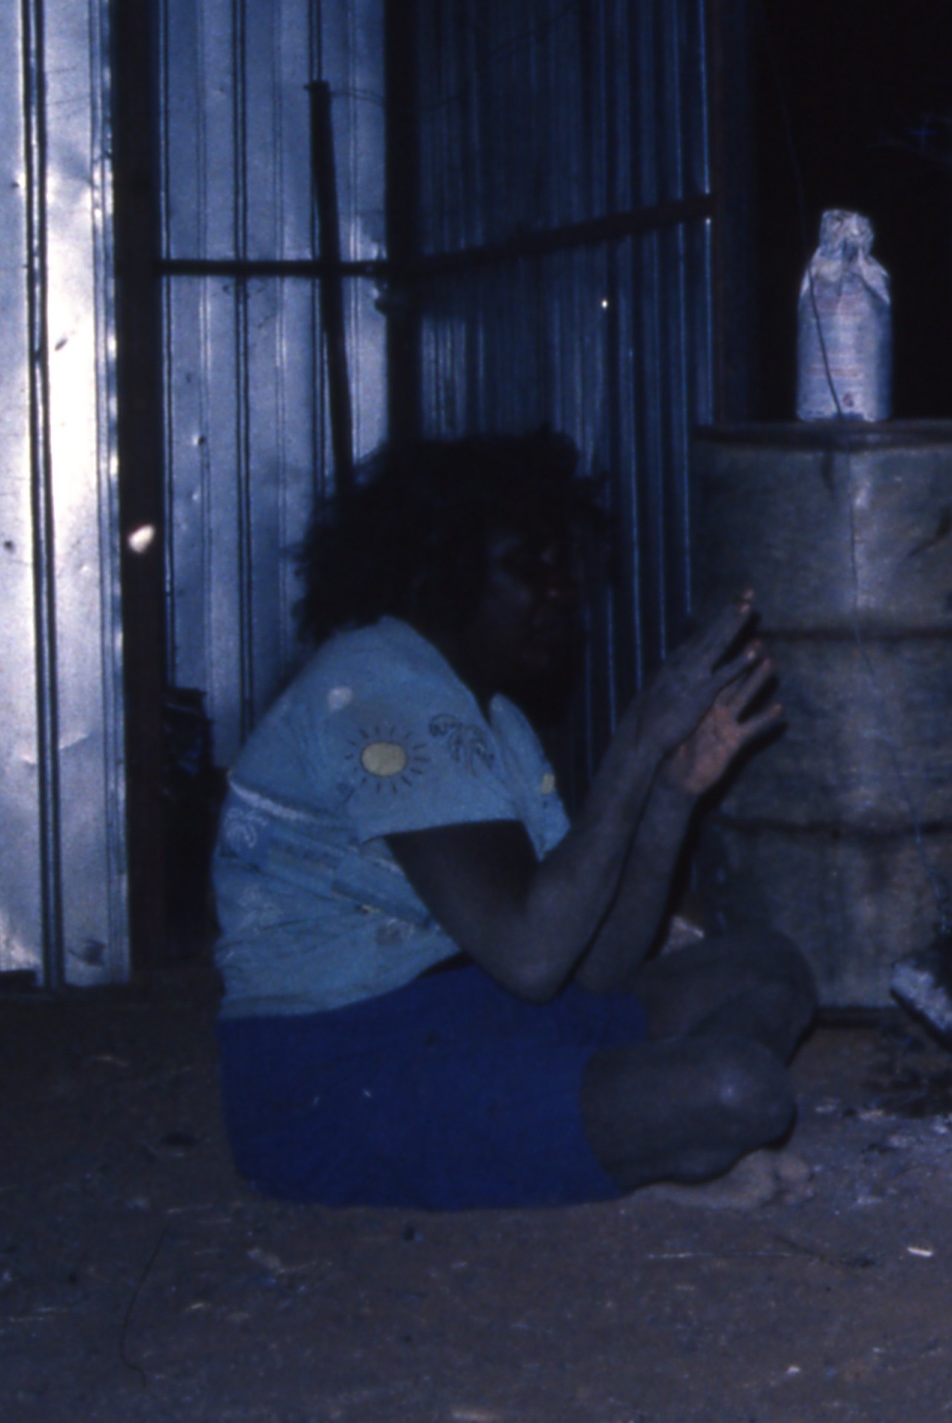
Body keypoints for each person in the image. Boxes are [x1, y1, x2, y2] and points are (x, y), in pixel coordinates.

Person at [210, 431, 813, 1208]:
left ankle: (650, 1143)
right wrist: (637, 740)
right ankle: (658, 1143)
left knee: (769, 966)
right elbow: (531, 957)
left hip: (472, 1019)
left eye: (564, 565)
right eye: (527, 565)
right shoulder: (377, 692)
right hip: (335, 1077)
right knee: (739, 1088)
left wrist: (671, 789)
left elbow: (596, 967)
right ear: (440, 573)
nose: (561, 590)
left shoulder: (489, 714)